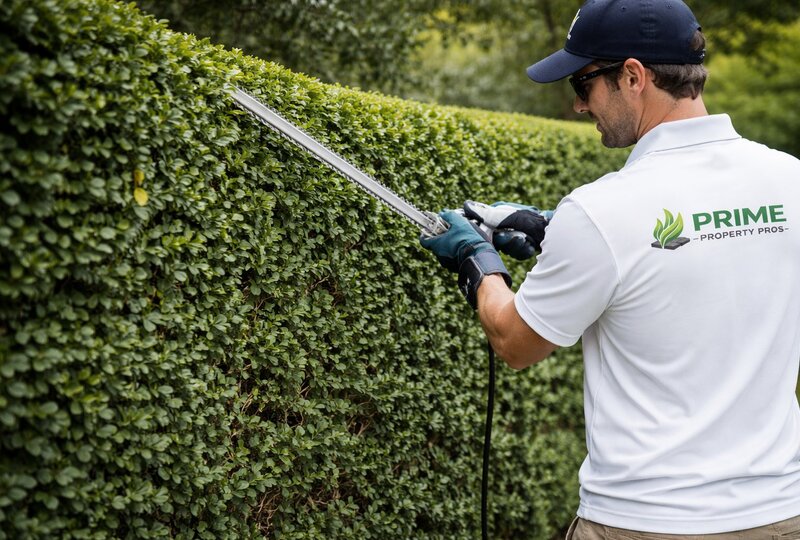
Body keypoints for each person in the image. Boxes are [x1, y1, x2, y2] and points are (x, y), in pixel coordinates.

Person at [419, 0, 800, 537]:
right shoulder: (789, 181)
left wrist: (476, 260)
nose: (579, 106)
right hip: (780, 515)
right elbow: (697, 258)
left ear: (633, 75)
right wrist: (556, 232)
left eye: (583, 84)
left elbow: (514, 341)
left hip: (643, 522)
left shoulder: (602, 210)